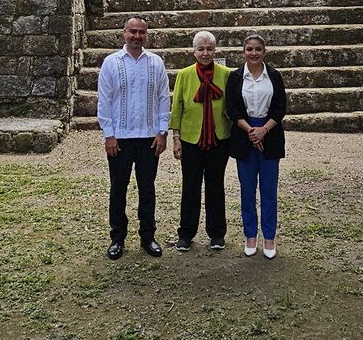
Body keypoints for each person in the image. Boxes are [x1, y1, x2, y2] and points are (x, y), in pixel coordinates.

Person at [97, 16, 170, 260]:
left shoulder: (156, 62)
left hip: (149, 138)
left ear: (146, 35)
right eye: (133, 32)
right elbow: (104, 101)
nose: (137, 36)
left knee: (147, 189)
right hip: (120, 138)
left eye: (141, 32)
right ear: (124, 33)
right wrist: (109, 135)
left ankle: (148, 236)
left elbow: (163, 99)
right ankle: (117, 238)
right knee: (119, 188)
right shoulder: (110, 63)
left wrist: (162, 132)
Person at [225, 32, 287, 259]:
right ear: (243, 52)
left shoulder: (274, 76)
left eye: (257, 49)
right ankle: (250, 235)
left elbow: (280, 107)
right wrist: (250, 130)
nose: (253, 53)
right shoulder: (235, 77)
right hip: (245, 134)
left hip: (269, 133)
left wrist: (263, 130)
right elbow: (231, 108)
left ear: (264, 52)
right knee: (247, 189)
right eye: (249, 49)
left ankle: (269, 237)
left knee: (269, 190)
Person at [169, 30, 231, 252]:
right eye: (201, 49)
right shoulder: (184, 75)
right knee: (190, 187)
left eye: (209, 49)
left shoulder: (226, 74)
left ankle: (216, 234)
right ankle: (186, 233)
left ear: (215, 50)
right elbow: (177, 108)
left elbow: (231, 107)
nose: (205, 53)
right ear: (193, 50)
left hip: (218, 140)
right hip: (190, 139)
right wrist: (175, 138)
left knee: (216, 187)